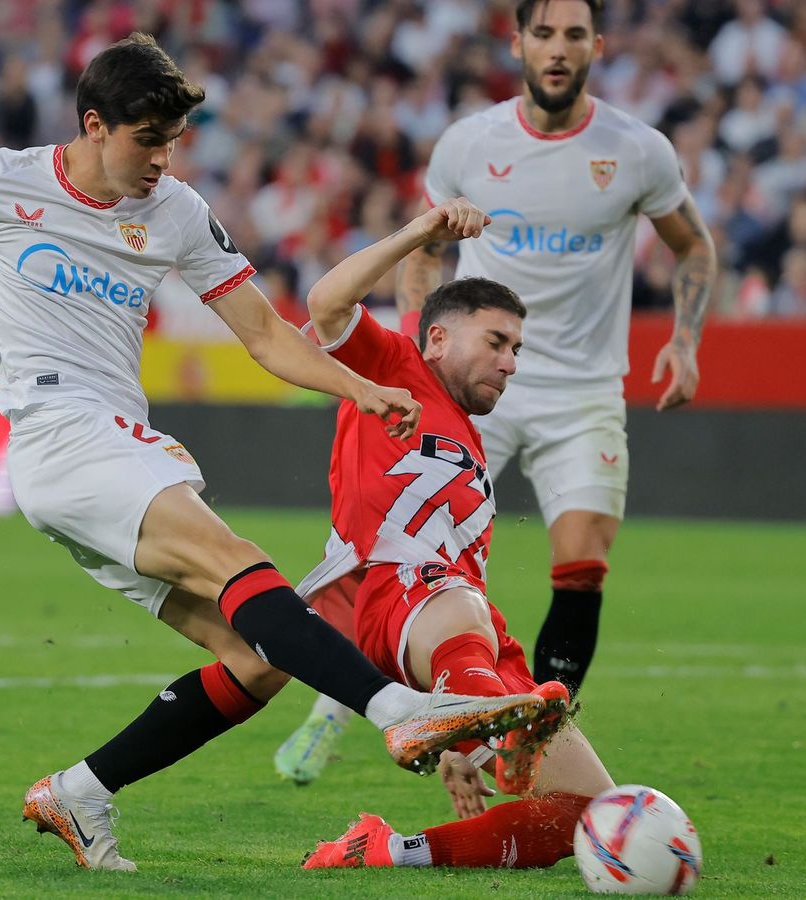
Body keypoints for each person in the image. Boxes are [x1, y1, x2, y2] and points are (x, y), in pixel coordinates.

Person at [0, 34, 559, 873]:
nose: (163, 159)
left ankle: (82, 790)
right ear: (95, 126)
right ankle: (399, 711)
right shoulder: (0, 180)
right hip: (59, 433)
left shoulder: (174, 209)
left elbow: (268, 337)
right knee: (240, 561)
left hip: (110, 447)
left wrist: (353, 388)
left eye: (174, 142)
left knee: (254, 656)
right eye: (147, 140)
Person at [276, 0, 716, 783]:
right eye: (543, 33)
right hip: (475, 382)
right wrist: (420, 354)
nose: (557, 49)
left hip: (581, 387)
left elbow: (693, 245)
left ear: (596, 47)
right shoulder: (471, 144)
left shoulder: (637, 151)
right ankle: (337, 704)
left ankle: (531, 733)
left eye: (573, 35)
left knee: (582, 557)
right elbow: (425, 253)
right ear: (517, 43)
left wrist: (684, 341)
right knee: (399, 547)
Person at [291, 197, 617, 871]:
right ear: (438, 339)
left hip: (460, 623)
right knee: (461, 601)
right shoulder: (394, 367)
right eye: (496, 343)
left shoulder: (469, 441)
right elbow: (325, 303)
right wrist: (416, 233)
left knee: (588, 812)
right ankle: (476, 721)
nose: (511, 363)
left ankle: (389, 850)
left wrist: (460, 737)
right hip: (397, 592)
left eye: (517, 349)